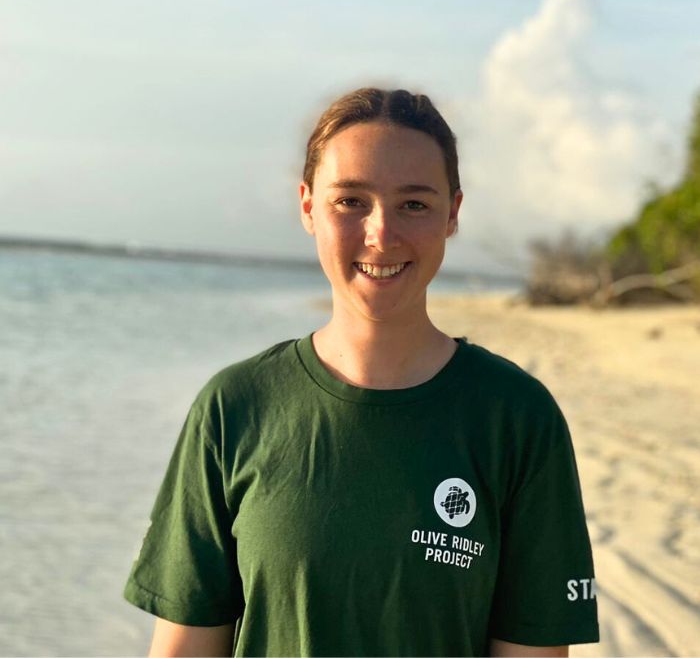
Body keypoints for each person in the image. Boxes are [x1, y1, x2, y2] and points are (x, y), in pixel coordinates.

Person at [124, 87, 599, 656]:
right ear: (307, 207)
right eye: (350, 201)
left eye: (414, 204)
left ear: (453, 214)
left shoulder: (517, 417)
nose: (381, 233)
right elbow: (185, 646)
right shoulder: (234, 407)